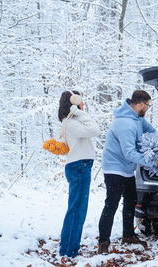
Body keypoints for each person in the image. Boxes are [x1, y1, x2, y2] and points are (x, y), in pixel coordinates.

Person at [98, 90, 158, 254]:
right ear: (141, 104)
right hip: (114, 169)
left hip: (127, 168)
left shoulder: (137, 119)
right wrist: (154, 161)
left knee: (131, 201)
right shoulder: (125, 124)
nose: (148, 109)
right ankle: (103, 242)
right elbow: (129, 152)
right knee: (111, 204)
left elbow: (151, 131)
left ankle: (128, 235)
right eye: (148, 106)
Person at [58, 90, 100, 258]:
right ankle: (69, 251)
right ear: (74, 101)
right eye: (80, 100)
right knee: (77, 210)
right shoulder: (73, 122)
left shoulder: (72, 121)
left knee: (75, 208)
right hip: (80, 167)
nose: (83, 102)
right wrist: (80, 110)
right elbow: (94, 130)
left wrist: (78, 112)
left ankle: (67, 248)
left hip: (80, 166)